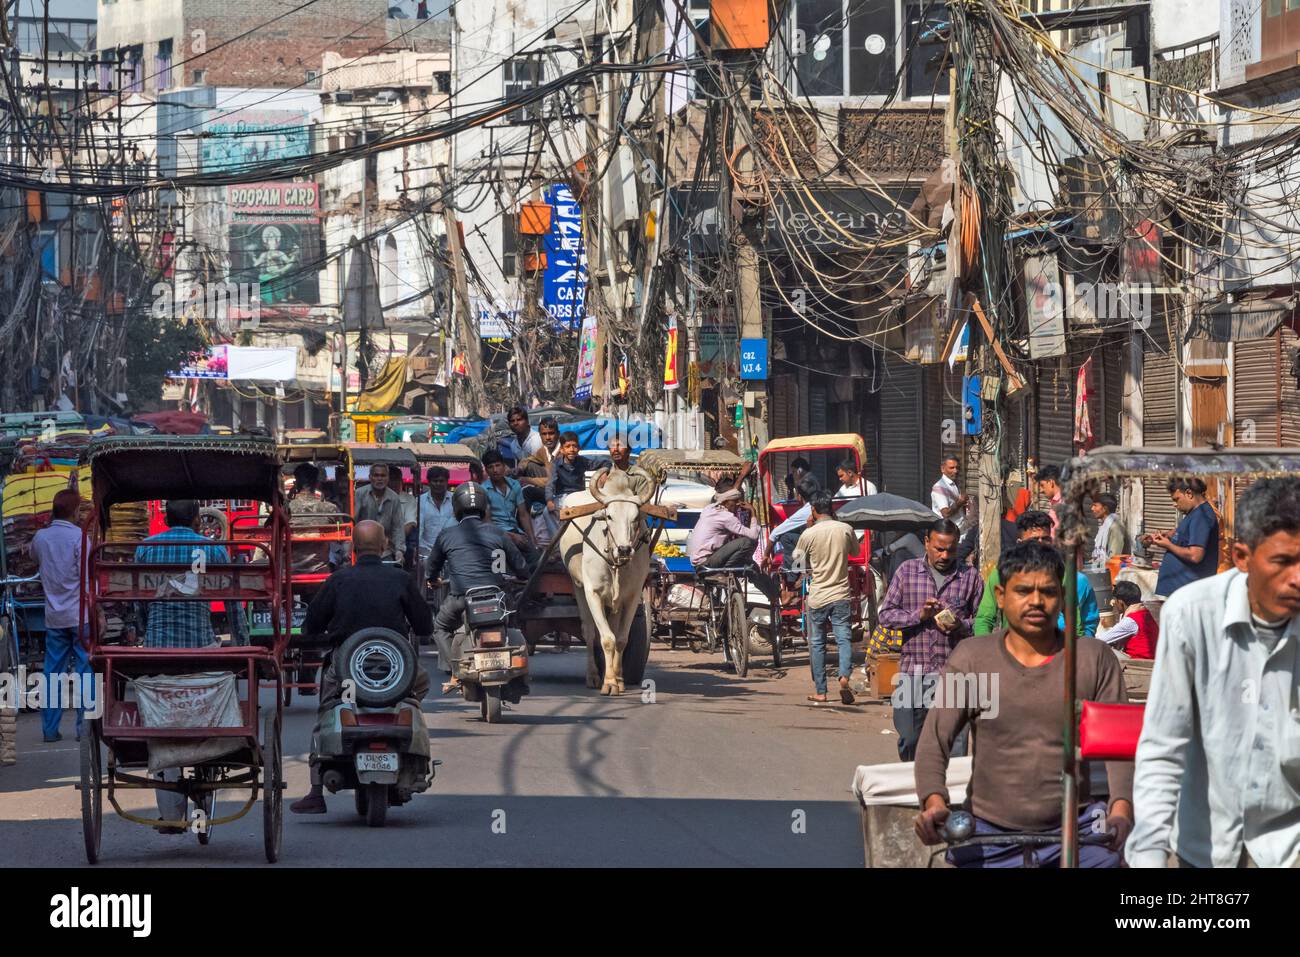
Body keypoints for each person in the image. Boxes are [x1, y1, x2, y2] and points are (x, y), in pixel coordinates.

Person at [913, 540, 1134, 868]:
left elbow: (1120, 747)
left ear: (1061, 598)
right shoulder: (973, 658)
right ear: (1001, 596)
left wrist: (1121, 811)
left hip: (1081, 828)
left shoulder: (1092, 658)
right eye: (1023, 591)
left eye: (1047, 592)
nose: (1036, 601)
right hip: (990, 833)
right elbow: (935, 741)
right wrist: (934, 802)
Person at [1127, 477, 1300, 868]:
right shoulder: (1191, 614)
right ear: (1241, 557)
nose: (1297, 578)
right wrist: (1149, 854)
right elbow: (1163, 744)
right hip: (1206, 845)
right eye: (1282, 562)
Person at [289, 520, 434, 815]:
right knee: (418, 688)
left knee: (326, 709)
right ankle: (414, 748)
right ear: (384, 547)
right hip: (397, 668)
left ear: (353, 549)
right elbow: (424, 626)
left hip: (346, 670)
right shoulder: (401, 579)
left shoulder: (338, 580)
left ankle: (316, 791)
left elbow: (311, 626)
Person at [134, 499, 242, 831]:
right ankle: (208, 761)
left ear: (165, 519)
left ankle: (169, 813)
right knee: (222, 677)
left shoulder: (146, 550)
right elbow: (233, 601)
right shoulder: (214, 550)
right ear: (197, 520)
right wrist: (240, 640)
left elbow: (138, 604)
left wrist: (143, 630)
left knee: (159, 719)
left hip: (157, 653)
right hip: (201, 649)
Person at [877, 519, 984, 760]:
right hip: (913, 671)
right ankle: (915, 787)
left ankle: (950, 795)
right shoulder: (907, 572)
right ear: (926, 543)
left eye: (951, 549)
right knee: (910, 737)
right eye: (939, 548)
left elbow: (984, 623)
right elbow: (885, 615)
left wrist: (961, 625)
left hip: (954, 673)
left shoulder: (971, 577)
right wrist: (919, 615)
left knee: (956, 743)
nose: (945, 555)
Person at [426, 483, 528, 693]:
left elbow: (432, 568)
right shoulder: (499, 533)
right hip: (498, 599)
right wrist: (519, 576)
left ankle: (455, 671)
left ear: (456, 508)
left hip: (461, 598)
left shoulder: (447, 534)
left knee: (440, 627)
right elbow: (521, 567)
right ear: (484, 507)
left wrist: (432, 579)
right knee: (512, 623)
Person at [973, 511, 1100, 638]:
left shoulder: (1062, 574)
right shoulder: (1001, 573)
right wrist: (986, 653)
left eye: (1045, 539)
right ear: (1019, 542)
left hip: (1052, 652)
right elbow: (984, 619)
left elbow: (1074, 623)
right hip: (1013, 651)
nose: (1040, 544)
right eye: (1034, 540)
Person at [31, 489, 89, 743]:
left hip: (54, 617)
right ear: (75, 512)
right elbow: (86, 578)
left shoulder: (40, 538)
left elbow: (34, 558)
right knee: (85, 671)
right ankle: (84, 729)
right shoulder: (79, 537)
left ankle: (50, 730)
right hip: (79, 616)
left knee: (53, 672)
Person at [793, 493, 859, 705]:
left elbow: (798, 565)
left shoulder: (808, 534)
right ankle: (844, 676)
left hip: (818, 596)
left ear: (813, 510)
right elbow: (855, 552)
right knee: (843, 639)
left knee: (818, 643)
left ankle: (821, 691)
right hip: (841, 594)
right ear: (831, 509)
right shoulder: (846, 529)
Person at [685, 488, 781, 615]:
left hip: (705, 561)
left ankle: (775, 596)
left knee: (751, 566)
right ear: (726, 502)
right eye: (735, 502)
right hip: (707, 562)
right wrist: (753, 512)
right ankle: (728, 569)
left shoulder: (709, 509)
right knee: (748, 542)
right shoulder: (726, 517)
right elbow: (752, 535)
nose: (737, 506)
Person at [1143, 477, 1219, 598]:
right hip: (1180, 592)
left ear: (1189, 493)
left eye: (1176, 499)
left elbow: (1195, 555)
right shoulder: (1194, 514)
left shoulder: (1202, 515)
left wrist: (1168, 545)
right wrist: (1162, 536)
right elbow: (1180, 534)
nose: (1175, 504)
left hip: (1187, 593)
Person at [481, 449, 539, 559]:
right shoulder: (483, 490)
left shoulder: (515, 485)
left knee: (535, 560)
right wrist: (512, 537)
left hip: (516, 531)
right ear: (486, 470)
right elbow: (487, 522)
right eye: (490, 467)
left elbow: (523, 515)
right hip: (496, 535)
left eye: (497, 465)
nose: (495, 470)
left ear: (504, 466)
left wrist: (533, 541)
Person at [354, 463, 405, 565]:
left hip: (385, 550)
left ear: (388, 478)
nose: (379, 479)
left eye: (383, 476)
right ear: (370, 477)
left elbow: (398, 527)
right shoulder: (359, 494)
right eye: (376, 475)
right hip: (362, 549)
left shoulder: (394, 498)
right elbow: (353, 521)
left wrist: (400, 550)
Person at [932, 454, 976, 564]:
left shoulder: (954, 484)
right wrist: (960, 503)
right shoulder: (939, 488)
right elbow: (945, 513)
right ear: (943, 469)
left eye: (957, 468)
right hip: (949, 536)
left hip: (960, 533)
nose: (955, 471)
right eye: (951, 468)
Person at [1097, 581, 1158, 659]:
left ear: (1120, 601)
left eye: (1115, 600)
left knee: (1101, 649)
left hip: (1139, 664)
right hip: (1151, 660)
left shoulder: (1130, 621)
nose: (1114, 603)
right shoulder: (1145, 613)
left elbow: (1100, 640)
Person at [417, 466, 456, 566]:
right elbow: (419, 530)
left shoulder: (456, 500)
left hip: (451, 552)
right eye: (435, 481)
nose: (438, 484)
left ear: (447, 482)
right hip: (425, 553)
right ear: (429, 482)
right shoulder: (419, 501)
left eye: (441, 481)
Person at [544, 433, 593, 510]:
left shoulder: (583, 461)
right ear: (562, 450)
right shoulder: (555, 464)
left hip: (580, 496)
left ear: (579, 448)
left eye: (574, 446)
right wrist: (549, 500)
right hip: (562, 498)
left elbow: (605, 463)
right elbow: (550, 484)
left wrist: (604, 473)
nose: (572, 450)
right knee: (546, 512)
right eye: (567, 446)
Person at [517, 416, 560, 488]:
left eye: (551, 433)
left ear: (558, 434)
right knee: (529, 465)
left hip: (561, 489)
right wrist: (518, 469)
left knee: (528, 492)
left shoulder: (564, 451)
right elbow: (528, 460)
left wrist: (528, 480)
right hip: (549, 485)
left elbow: (557, 481)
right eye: (544, 434)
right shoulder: (544, 450)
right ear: (540, 435)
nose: (548, 438)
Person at [1089, 492, 1127, 569]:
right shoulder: (1105, 526)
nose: (1092, 509)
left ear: (1105, 509)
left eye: (1095, 505)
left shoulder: (1115, 527)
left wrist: (1099, 561)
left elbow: (1115, 556)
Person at [1036, 464, 1065, 541]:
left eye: (1042, 485)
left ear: (1051, 483)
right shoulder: (1055, 503)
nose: (1042, 490)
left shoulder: (1064, 503)